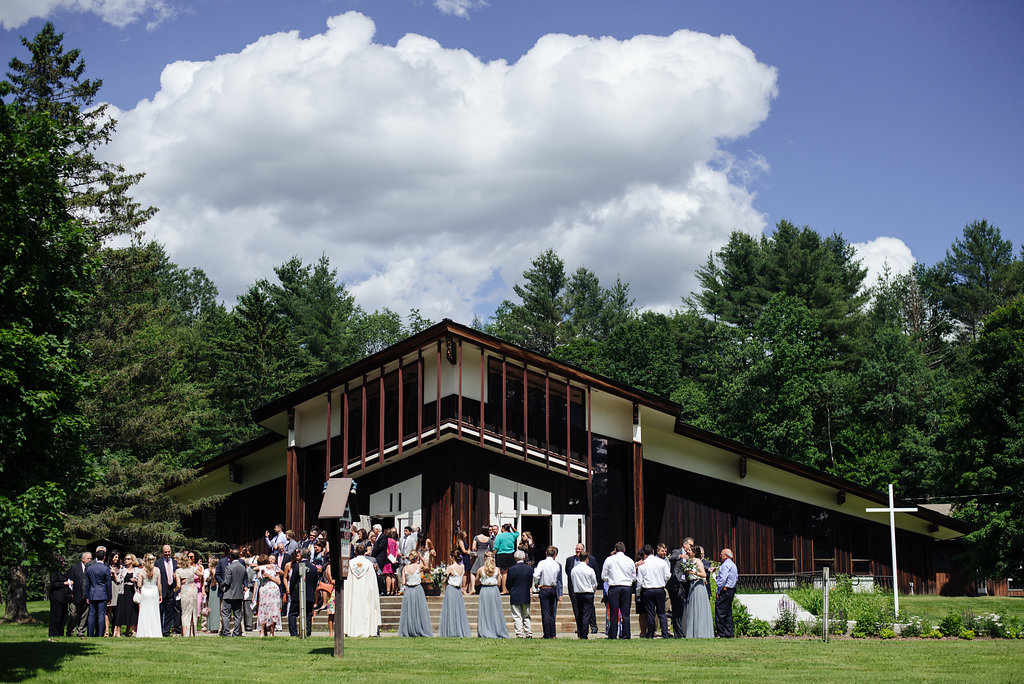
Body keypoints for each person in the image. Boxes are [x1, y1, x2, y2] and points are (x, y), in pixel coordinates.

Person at [343, 543, 382, 637]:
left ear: (355, 552)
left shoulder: (350, 563)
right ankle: (367, 630)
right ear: (365, 552)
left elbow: (346, 580)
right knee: (366, 608)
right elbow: (373, 582)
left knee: (353, 607)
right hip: (366, 592)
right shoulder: (369, 564)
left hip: (353, 592)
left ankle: (351, 630)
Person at [601, 541, 636, 639]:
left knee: (614, 612)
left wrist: (611, 579)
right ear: (624, 550)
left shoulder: (609, 560)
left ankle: (612, 634)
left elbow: (603, 575)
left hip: (615, 586)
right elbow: (634, 576)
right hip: (626, 587)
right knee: (626, 613)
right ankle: (626, 634)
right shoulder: (629, 560)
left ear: (615, 550)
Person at [636, 544, 671, 638]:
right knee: (661, 612)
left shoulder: (643, 564)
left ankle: (651, 633)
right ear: (653, 552)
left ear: (644, 553)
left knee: (650, 613)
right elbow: (668, 575)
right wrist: (663, 581)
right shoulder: (662, 562)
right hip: (660, 588)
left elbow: (639, 581)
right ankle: (665, 633)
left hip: (648, 590)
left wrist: (638, 593)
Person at [565, 543, 599, 636]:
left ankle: (592, 627)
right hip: (575, 589)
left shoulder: (591, 560)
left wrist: (593, 588)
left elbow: (596, 574)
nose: (577, 551)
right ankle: (581, 629)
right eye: (576, 549)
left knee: (589, 610)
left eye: (579, 549)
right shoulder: (569, 560)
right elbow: (568, 574)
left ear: (583, 550)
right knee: (577, 610)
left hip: (587, 589)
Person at [398, 550, 433, 637]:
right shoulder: (419, 566)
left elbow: (403, 582)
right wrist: (422, 559)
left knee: (409, 610)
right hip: (418, 589)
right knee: (419, 609)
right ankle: (419, 628)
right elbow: (427, 568)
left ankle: (409, 629)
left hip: (409, 590)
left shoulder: (405, 568)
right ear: (416, 557)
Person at [682, 546, 714, 638]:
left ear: (694, 553)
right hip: (692, 585)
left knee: (699, 607)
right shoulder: (689, 562)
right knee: (692, 607)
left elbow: (704, 574)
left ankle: (701, 632)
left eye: (689, 551)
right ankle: (693, 632)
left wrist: (694, 573)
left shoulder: (698, 561)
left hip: (698, 585)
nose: (687, 552)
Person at [286, 548, 318, 637]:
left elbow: (293, 580)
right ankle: (307, 632)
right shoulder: (314, 568)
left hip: (297, 593)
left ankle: (293, 633)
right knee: (308, 614)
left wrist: (291, 591)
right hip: (310, 593)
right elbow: (315, 582)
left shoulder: (297, 566)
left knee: (293, 613)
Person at [439, 550, 471, 637]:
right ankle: (457, 629)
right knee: (458, 610)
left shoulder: (450, 568)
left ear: (452, 557)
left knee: (450, 610)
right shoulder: (462, 566)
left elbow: (444, 580)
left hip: (451, 589)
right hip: (458, 590)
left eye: (450, 556)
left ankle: (451, 630)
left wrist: (441, 575)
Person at [475, 551, 508, 638]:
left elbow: (476, 582)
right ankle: (496, 629)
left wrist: (481, 579)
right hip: (494, 590)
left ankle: (485, 629)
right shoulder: (497, 569)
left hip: (485, 590)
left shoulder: (480, 569)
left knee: (485, 611)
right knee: (495, 611)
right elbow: (499, 583)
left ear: (484, 558)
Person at [533, 545, 562, 639]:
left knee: (545, 612)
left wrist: (537, 584)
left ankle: (547, 634)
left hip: (544, 587)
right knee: (552, 612)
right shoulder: (557, 564)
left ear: (546, 553)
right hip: (553, 588)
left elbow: (536, 575)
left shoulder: (542, 563)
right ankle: (553, 633)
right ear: (554, 555)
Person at [220, 546, 249, 637]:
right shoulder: (243, 568)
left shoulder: (229, 568)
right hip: (239, 594)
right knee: (238, 615)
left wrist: (222, 584)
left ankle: (226, 632)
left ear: (230, 557)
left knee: (226, 614)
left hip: (228, 594)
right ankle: (236, 632)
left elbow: (227, 582)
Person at [668, 537, 694, 638]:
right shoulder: (677, 551)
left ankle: (682, 631)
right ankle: (677, 633)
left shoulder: (690, 554)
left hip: (686, 584)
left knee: (682, 609)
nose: (691, 547)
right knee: (677, 609)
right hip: (677, 584)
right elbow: (671, 557)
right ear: (684, 544)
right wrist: (681, 556)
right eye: (690, 545)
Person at [506, 549, 533, 638]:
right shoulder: (529, 569)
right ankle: (528, 632)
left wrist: (511, 590)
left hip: (515, 594)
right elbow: (530, 582)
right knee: (526, 615)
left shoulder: (511, 569)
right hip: (525, 594)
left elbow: (508, 584)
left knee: (517, 616)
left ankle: (519, 633)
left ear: (515, 558)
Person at [85, 547, 111, 637]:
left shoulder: (90, 568)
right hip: (102, 594)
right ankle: (100, 634)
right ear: (104, 557)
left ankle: (90, 634)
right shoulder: (105, 568)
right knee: (101, 615)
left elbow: (87, 583)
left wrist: (87, 595)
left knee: (91, 615)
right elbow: (108, 584)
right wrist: (109, 596)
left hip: (92, 593)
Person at [135, 553, 162, 638]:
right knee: (154, 612)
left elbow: (139, 584)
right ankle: (155, 632)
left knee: (144, 612)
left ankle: (144, 632)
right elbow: (159, 584)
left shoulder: (142, 571)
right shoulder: (157, 570)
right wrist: (160, 594)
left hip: (145, 592)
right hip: (154, 591)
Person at [65, 550, 91, 637]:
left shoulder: (91, 569)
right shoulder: (74, 568)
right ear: (83, 559)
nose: (90, 560)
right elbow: (70, 581)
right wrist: (71, 593)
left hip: (86, 596)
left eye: (91, 558)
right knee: (73, 613)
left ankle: (81, 631)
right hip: (75, 595)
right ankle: (70, 631)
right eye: (88, 558)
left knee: (84, 614)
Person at [257, 554, 282, 636]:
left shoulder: (275, 569)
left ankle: (272, 631)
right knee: (263, 610)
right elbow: (254, 568)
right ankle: (262, 631)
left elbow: (278, 581)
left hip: (273, 590)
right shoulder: (262, 568)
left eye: (272, 559)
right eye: (269, 559)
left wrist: (270, 576)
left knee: (274, 610)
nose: (271, 560)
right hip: (264, 590)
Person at [156, 544, 179, 637]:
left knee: (170, 612)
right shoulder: (158, 563)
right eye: (165, 552)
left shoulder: (175, 563)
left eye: (168, 552)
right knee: (161, 611)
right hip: (162, 589)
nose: (167, 554)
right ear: (162, 552)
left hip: (172, 589)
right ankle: (160, 630)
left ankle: (166, 631)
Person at [715, 548, 738, 638]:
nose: (720, 556)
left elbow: (722, 579)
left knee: (720, 611)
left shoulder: (725, 566)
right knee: (728, 612)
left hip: (725, 590)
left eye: (721, 554)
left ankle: (721, 633)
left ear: (726, 556)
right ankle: (729, 632)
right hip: (731, 590)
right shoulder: (733, 565)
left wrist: (718, 589)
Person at [175, 552, 198, 637]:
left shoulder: (178, 571)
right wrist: (202, 568)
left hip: (185, 589)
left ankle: (185, 633)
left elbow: (178, 585)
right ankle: (192, 632)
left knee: (185, 613)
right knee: (193, 611)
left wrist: (175, 590)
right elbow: (201, 574)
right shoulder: (192, 568)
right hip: (193, 589)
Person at [116, 554, 139, 637]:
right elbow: (118, 580)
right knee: (121, 611)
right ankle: (118, 631)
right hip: (123, 591)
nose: (126, 560)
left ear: (132, 560)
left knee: (132, 611)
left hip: (132, 591)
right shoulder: (122, 570)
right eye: (125, 559)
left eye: (128, 559)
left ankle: (130, 631)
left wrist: (135, 580)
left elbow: (140, 581)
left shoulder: (136, 570)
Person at [493, 523, 519, 593]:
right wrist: (512, 527)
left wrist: (492, 555)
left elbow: (496, 547)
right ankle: (510, 588)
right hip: (511, 555)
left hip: (502, 554)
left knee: (504, 573)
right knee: (510, 572)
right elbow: (517, 532)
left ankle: (504, 589)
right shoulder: (512, 535)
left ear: (504, 528)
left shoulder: (499, 536)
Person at [47, 565, 69, 639]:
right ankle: (53, 633)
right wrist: (64, 583)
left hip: (64, 597)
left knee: (63, 616)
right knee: (56, 616)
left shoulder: (63, 572)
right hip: (57, 597)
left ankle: (60, 632)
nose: (63, 563)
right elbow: (53, 584)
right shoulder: (54, 572)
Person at [108, 550, 122, 636]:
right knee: (108, 610)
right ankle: (106, 630)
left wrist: (115, 575)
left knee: (117, 611)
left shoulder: (120, 567)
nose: (116, 559)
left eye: (117, 557)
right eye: (115, 557)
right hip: (109, 588)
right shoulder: (107, 566)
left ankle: (116, 630)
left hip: (117, 588)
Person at [454, 530, 473, 595]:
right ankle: (463, 587)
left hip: (466, 557)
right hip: (464, 557)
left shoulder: (464, 541)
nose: (466, 535)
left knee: (467, 572)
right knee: (465, 572)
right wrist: (469, 552)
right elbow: (464, 551)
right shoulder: (460, 541)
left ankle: (466, 587)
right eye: (465, 534)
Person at [204, 557, 219, 633]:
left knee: (213, 608)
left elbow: (214, 578)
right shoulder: (217, 570)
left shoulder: (212, 570)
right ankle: (213, 627)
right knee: (213, 608)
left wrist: (212, 583)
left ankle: (213, 627)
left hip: (214, 588)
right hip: (214, 588)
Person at [384, 528, 399, 596]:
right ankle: (394, 590)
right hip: (394, 560)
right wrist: (395, 558)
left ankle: (388, 590)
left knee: (388, 576)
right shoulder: (394, 541)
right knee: (393, 575)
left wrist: (389, 556)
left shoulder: (386, 541)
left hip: (388, 560)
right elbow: (396, 551)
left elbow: (386, 550)